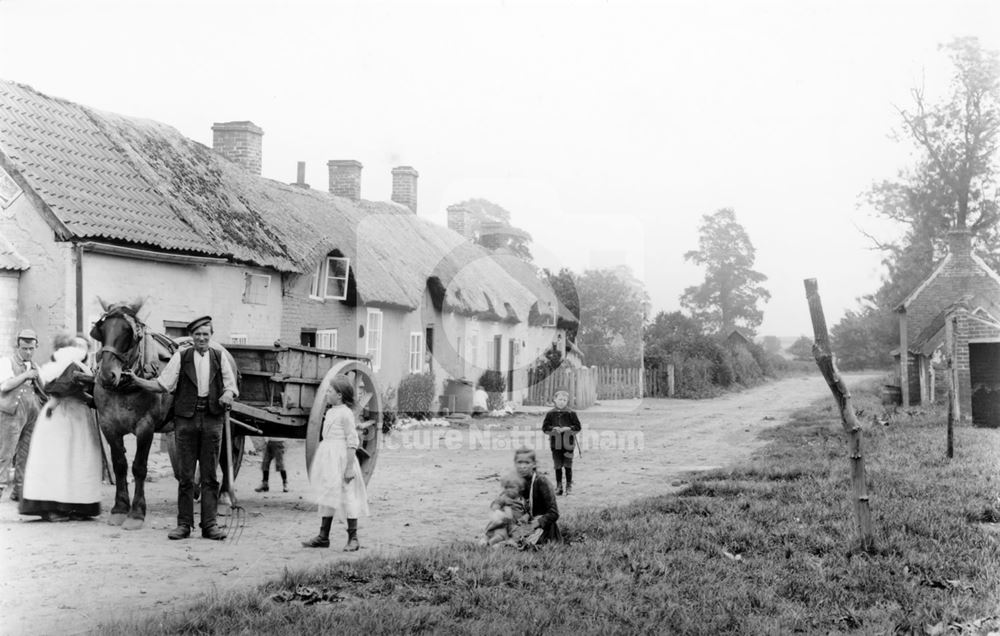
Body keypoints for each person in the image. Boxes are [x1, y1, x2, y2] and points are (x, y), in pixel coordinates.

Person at [128, 316, 238, 541]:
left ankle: (210, 525)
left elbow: (230, 385)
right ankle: (184, 525)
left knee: (209, 476)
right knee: (186, 476)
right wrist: (137, 381)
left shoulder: (219, 357)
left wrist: (228, 394)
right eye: (197, 334)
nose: (201, 338)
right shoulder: (181, 357)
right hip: (186, 420)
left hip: (212, 419)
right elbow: (162, 384)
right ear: (192, 337)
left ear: (211, 336)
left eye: (205, 334)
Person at [19, 334, 102, 521]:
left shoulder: (72, 365)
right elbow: (62, 388)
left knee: (75, 459)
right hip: (65, 414)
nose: (82, 350)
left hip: (75, 413)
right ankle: (56, 506)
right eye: (78, 345)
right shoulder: (68, 362)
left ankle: (76, 506)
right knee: (61, 459)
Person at [302, 376, 369, 550]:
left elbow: (352, 440)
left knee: (347, 495)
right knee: (327, 493)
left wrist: (348, 468)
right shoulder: (331, 411)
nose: (327, 393)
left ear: (339, 395)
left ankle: (353, 538)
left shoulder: (346, 413)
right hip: (329, 458)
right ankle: (323, 536)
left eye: (330, 391)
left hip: (342, 458)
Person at [0, 329, 44, 502]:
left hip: (32, 414)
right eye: (24, 348)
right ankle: (0, 486)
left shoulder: (35, 366)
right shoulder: (6, 362)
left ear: (35, 347)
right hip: (11, 413)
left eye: (31, 349)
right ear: (17, 346)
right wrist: (26, 375)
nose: (27, 352)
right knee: (6, 452)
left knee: (25, 453)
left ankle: (19, 489)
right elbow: (4, 386)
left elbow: (43, 389)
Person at [513, 446, 562, 545]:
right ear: (515, 464)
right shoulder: (519, 482)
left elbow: (554, 513)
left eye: (527, 463)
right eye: (519, 462)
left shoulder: (542, 482)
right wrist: (526, 516)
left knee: (523, 544)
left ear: (534, 464)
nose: (523, 466)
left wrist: (534, 524)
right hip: (529, 523)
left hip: (545, 528)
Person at [541, 390, 582, 495]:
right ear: (554, 399)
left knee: (568, 465)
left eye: (564, 400)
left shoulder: (571, 413)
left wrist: (568, 428)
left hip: (568, 444)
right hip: (556, 444)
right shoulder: (550, 414)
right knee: (557, 465)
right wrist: (553, 428)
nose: (562, 402)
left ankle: (569, 486)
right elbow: (545, 428)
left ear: (567, 401)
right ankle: (559, 487)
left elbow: (578, 427)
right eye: (560, 399)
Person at [482, 471, 529, 546]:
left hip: (516, 524)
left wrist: (525, 516)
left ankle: (503, 543)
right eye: (506, 487)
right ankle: (491, 541)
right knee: (500, 534)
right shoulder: (504, 498)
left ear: (520, 488)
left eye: (512, 487)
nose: (508, 490)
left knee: (518, 535)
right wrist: (497, 510)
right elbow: (496, 504)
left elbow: (527, 511)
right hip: (504, 523)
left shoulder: (522, 500)